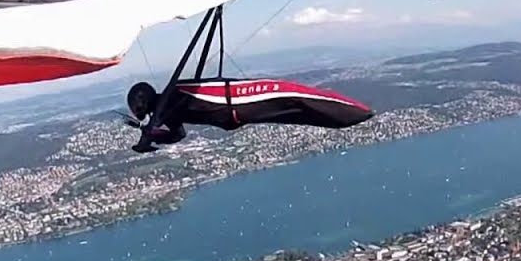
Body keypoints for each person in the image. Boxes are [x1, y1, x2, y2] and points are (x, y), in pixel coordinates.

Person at [126, 77, 373, 152]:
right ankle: (346, 119)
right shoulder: (167, 110)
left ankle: (356, 113)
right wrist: (155, 136)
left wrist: (149, 134)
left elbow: (169, 115)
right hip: (237, 114)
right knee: (294, 113)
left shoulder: (173, 94)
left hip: (240, 99)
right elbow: (177, 134)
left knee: (295, 97)